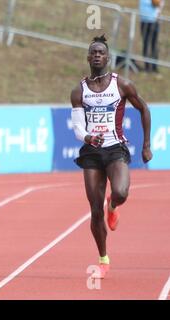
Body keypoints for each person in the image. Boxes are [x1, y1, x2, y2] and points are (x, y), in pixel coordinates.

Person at [71, 35, 152, 279]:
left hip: (116, 148)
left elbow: (144, 109)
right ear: (88, 57)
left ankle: (114, 204)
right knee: (95, 210)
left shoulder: (122, 85)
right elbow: (77, 128)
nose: (97, 55)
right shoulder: (79, 91)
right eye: (93, 51)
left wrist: (146, 145)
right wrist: (88, 138)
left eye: (101, 52)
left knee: (121, 192)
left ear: (107, 58)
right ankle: (103, 258)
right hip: (92, 153)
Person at [139, 0, 165, 72]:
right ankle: (147, 66)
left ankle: (154, 67)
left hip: (153, 21)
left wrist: (159, 10)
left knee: (154, 44)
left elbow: (159, 3)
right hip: (144, 20)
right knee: (146, 44)